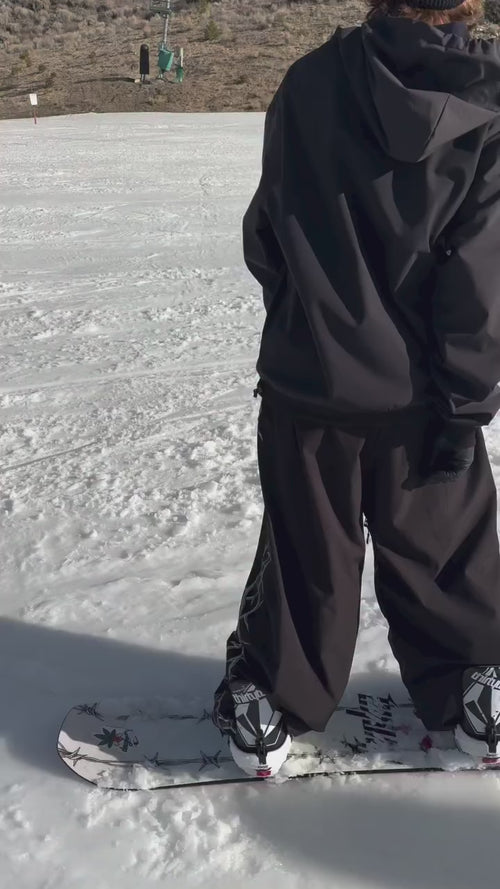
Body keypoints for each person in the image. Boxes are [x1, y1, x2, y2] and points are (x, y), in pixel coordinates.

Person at [213, 0, 500, 778]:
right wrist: (465, 403)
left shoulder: (310, 84)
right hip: (424, 396)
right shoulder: (486, 106)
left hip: (311, 383)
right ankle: (474, 689)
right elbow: (479, 282)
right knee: (447, 554)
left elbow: (268, 230)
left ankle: (274, 699)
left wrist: (307, 319)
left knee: (308, 558)